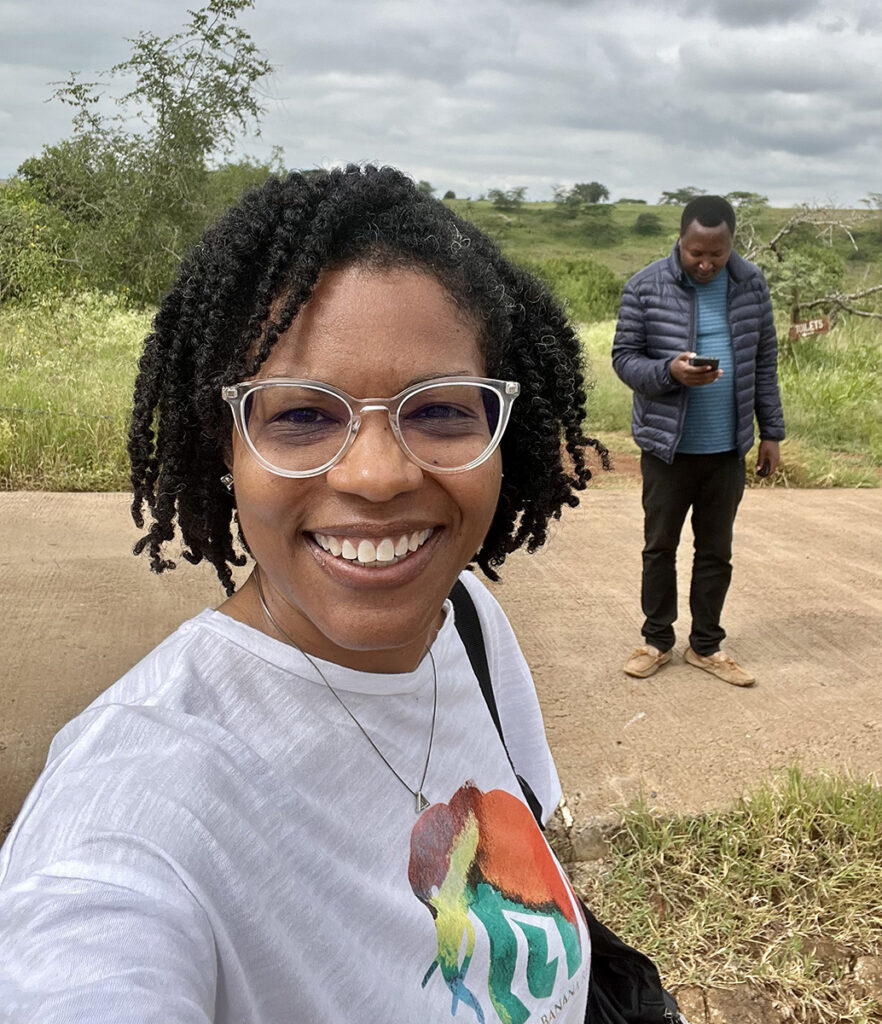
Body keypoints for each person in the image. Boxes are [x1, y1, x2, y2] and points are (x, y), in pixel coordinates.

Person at [0, 165, 610, 1023]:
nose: (376, 475)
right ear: (227, 446)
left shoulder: (469, 623)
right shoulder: (130, 809)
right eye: (299, 416)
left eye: (438, 411)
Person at [612, 195, 784, 686]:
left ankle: (706, 646)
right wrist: (668, 372)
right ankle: (656, 640)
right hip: (667, 448)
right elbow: (624, 358)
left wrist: (771, 432)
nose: (706, 263)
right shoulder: (645, 286)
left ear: (731, 243)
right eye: (696, 253)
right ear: (681, 241)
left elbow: (764, 362)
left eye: (717, 253)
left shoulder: (751, 285)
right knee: (659, 547)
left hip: (726, 450)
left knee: (716, 552)